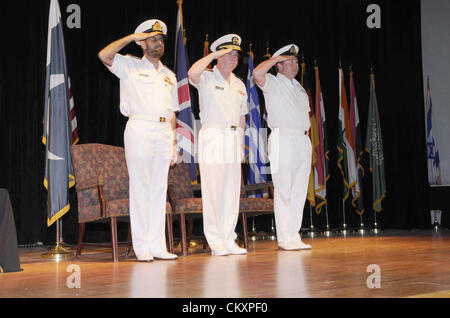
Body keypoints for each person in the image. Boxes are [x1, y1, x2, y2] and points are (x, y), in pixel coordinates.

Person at [98, 19, 179, 261]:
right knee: (141, 187)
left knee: (159, 189)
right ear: (142, 43)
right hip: (140, 127)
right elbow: (104, 55)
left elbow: (172, 111)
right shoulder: (129, 65)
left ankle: (158, 245)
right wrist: (131, 37)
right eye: (153, 39)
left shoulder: (169, 75)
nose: (159, 43)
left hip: (164, 132)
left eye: (161, 39)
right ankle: (141, 245)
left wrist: (174, 143)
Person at [188, 34, 248, 256]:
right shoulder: (206, 77)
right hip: (213, 135)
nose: (233, 59)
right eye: (228, 54)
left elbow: (242, 117)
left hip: (233, 138)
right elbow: (191, 73)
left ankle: (229, 238)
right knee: (213, 190)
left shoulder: (240, 83)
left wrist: (241, 144)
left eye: (235, 55)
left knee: (231, 192)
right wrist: (213, 55)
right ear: (218, 57)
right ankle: (215, 240)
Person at [253, 44, 312, 251]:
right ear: (279, 65)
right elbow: (257, 73)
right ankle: (284, 237)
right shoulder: (272, 82)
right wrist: (275, 58)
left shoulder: (299, 87)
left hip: (302, 140)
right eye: (290, 61)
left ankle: (294, 235)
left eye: (296, 61)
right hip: (283, 138)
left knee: (299, 191)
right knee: (284, 190)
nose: (295, 65)